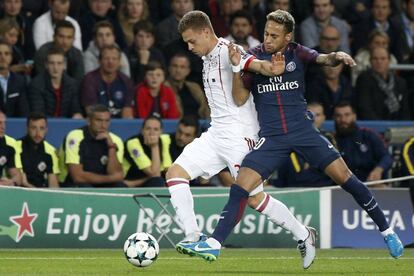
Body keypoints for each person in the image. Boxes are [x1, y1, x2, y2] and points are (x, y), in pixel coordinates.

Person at [181, 9, 403, 264]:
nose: (267, 39)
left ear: (288, 37)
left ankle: (387, 231)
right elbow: (240, 98)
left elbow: (323, 59)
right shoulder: (252, 57)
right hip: (272, 138)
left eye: (274, 35)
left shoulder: (298, 53)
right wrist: (235, 67)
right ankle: (214, 244)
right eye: (265, 33)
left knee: (346, 178)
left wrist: (337, 55)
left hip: (304, 132)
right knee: (241, 186)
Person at [165, 10, 316, 269]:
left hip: (240, 135)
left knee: (255, 199)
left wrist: (272, 68)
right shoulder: (206, 56)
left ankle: (303, 233)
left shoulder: (228, 50)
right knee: (175, 173)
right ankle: (193, 236)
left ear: (204, 32)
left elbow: (254, 64)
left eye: (192, 41)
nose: (189, 47)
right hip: (216, 133)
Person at [59, 104, 125, 188]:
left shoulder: (116, 140)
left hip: (102, 184)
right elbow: (77, 177)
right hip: (74, 184)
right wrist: (111, 178)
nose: (103, 125)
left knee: (120, 186)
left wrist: (111, 147)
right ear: (89, 121)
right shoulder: (75, 136)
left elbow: (116, 174)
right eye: (99, 120)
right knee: (85, 187)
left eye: (107, 121)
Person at [333, 102, 393, 182]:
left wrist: (378, 170)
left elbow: (386, 157)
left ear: (354, 116)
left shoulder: (368, 135)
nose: (343, 120)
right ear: (334, 118)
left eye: (347, 115)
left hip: (371, 184)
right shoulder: (331, 140)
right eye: (338, 116)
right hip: (341, 187)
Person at [355, 47, 411, 120]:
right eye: (375, 59)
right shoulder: (364, 79)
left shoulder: (400, 82)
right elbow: (365, 108)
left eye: (383, 58)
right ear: (370, 61)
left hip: (398, 126)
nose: (379, 62)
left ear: (389, 61)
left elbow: (405, 110)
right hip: (374, 126)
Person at [80, 44, 134, 118]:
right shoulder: (89, 80)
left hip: (120, 124)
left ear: (119, 62)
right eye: (106, 58)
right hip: (97, 122)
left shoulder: (126, 81)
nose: (110, 62)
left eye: (114, 59)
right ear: (99, 61)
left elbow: (127, 112)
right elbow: (90, 111)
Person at [29, 47, 82, 118]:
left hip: (66, 125)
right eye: (51, 63)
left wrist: (77, 114)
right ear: (46, 65)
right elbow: (38, 112)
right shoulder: (36, 84)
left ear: (64, 66)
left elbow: (75, 109)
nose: (55, 67)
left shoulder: (72, 84)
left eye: (59, 63)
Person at [123, 115, 171, 187]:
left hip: (149, 181)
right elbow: (154, 174)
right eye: (148, 129)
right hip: (131, 182)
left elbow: (167, 169)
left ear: (161, 132)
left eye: (156, 129)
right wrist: (154, 146)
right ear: (142, 130)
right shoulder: (133, 143)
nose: (152, 133)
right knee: (157, 181)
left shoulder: (164, 140)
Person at [33, 20, 84, 84]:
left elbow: (78, 81)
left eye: (69, 37)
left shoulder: (77, 54)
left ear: (73, 39)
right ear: (54, 37)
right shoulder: (42, 53)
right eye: (61, 37)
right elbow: (41, 81)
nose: (65, 41)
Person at [16, 112, 59, 188]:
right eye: (33, 128)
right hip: (19, 191)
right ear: (27, 129)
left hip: (40, 193)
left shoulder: (51, 151)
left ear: (46, 130)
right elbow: (22, 182)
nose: (38, 133)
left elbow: (53, 184)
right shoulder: (16, 146)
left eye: (42, 128)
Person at [164, 52, 209, 119]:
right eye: (175, 66)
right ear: (169, 68)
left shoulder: (195, 87)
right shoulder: (163, 87)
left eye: (182, 67)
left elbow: (205, 109)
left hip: (199, 126)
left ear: (188, 71)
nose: (178, 70)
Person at [127, 20, 165, 85]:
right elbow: (133, 82)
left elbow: (163, 77)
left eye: (148, 36)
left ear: (152, 39)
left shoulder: (158, 54)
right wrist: (142, 64)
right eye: (140, 36)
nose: (144, 40)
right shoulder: (126, 53)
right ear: (134, 37)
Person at [0, 40, 28, 117]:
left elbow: (23, 112)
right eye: (0, 53)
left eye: (6, 54)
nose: (3, 57)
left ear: (11, 57)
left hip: (14, 126)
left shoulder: (20, 81)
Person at [0, 111, 22, 186]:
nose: (3, 127)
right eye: (0, 123)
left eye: (4, 123)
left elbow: (17, 176)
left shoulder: (8, 147)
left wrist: (12, 182)